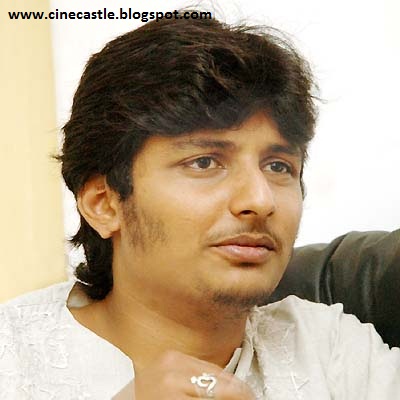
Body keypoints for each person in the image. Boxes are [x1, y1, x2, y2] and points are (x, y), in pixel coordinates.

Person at [0, 11, 399, 400]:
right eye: (205, 162)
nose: (259, 200)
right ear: (104, 204)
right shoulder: (11, 359)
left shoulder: (335, 353)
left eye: (278, 166)